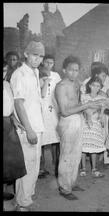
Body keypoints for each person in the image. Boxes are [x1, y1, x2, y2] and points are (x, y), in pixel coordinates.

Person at [55, 55, 107, 200]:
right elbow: (65, 111)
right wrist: (88, 105)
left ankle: (71, 182)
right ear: (64, 70)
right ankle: (64, 188)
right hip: (68, 121)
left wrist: (92, 107)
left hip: (78, 119)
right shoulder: (61, 86)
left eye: (76, 70)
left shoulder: (77, 84)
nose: (74, 73)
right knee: (66, 155)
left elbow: (82, 100)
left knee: (76, 154)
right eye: (71, 70)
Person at [10, 41, 45, 211]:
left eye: (41, 56)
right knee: (27, 165)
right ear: (26, 54)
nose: (38, 59)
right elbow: (18, 103)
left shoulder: (35, 72)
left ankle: (26, 197)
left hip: (37, 126)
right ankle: (22, 203)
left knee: (34, 165)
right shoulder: (20, 74)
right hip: (27, 128)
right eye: (34, 55)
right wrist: (29, 129)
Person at [3, 60, 26, 204]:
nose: (3, 73)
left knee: (8, 162)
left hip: (8, 124)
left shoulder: (7, 84)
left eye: (4, 70)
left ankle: (4, 190)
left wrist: (15, 120)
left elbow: (10, 107)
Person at [80, 77, 109, 178]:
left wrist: (101, 117)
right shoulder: (84, 96)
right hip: (85, 123)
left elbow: (102, 112)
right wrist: (88, 116)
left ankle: (94, 168)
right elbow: (84, 108)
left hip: (95, 123)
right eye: (93, 85)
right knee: (83, 147)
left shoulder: (101, 99)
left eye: (98, 86)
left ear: (100, 87)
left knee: (94, 147)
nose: (95, 88)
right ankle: (83, 167)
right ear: (89, 85)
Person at [38, 54, 61, 178]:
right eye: (46, 62)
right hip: (41, 108)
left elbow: (58, 92)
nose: (48, 65)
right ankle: (41, 168)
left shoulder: (56, 76)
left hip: (53, 108)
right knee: (41, 138)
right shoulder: (37, 73)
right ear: (43, 62)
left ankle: (57, 166)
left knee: (55, 139)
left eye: (51, 63)